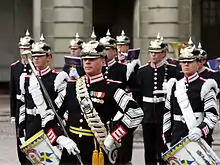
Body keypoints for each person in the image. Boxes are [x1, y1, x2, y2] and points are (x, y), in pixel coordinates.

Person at [36, 40, 144, 165]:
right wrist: (60, 138)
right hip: (72, 148)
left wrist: (113, 136)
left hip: (97, 148)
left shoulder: (112, 88)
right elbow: (49, 115)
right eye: (85, 58)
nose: (87, 62)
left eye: (92, 59)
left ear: (103, 61)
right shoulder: (71, 87)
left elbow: (136, 113)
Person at [136, 33, 181, 165]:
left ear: (164, 54)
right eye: (151, 52)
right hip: (148, 114)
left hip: (164, 114)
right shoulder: (142, 71)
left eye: (157, 52)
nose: (153, 55)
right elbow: (138, 94)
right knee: (149, 148)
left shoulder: (172, 70)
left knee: (163, 146)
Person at [163, 45, 219, 149]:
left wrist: (200, 130)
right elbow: (167, 114)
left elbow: (212, 116)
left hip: (199, 136)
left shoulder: (206, 86)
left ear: (198, 64)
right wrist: (167, 138)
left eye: (190, 61)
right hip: (177, 137)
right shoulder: (174, 86)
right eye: (184, 62)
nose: (186, 64)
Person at [18, 34, 69, 141]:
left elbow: (62, 105)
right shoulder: (26, 79)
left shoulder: (58, 78)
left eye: (40, 55)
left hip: (50, 125)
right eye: (34, 55)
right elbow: (22, 105)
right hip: (31, 125)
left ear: (48, 57)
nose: (36, 58)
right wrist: (21, 128)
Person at [101, 30, 139, 164]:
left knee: (122, 147)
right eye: (102, 49)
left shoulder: (123, 69)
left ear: (114, 51)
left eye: (107, 49)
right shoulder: (96, 68)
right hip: (101, 112)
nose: (104, 52)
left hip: (119, 112)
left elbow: (135, 88)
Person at [10, 29, 34, 164]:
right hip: (20, 107)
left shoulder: (35, 66)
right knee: (19, 136)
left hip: (32, 106)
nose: (23, 51)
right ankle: (22, 160)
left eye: (26, 48)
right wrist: (13, 114)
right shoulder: (15, 67)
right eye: (22, 48)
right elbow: (13, 92)